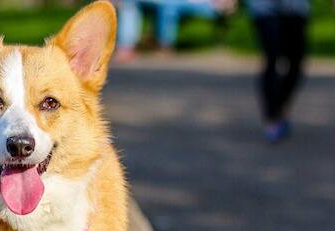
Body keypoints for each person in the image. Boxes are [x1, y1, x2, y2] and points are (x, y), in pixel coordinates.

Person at [248, 0, 310, 143]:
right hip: (264, 8)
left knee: (296, 64)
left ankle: (280, 107)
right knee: (272, 59)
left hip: (295, 8)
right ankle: (273, 118)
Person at [114, 0, 235, 61]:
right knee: (129, 2)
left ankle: (164, 45)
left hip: (205, 4)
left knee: (167, 6)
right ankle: (126, 47)